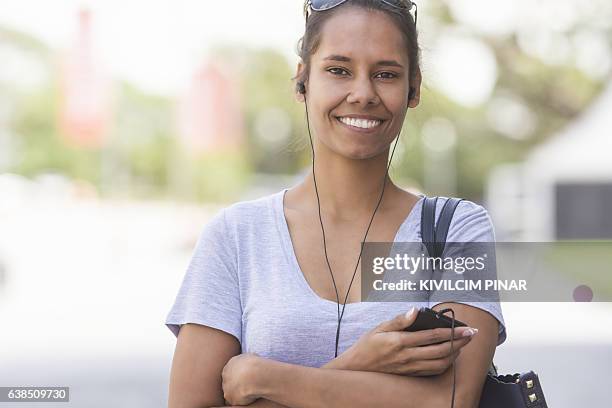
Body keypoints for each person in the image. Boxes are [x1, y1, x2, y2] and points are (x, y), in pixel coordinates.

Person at [165, 1, 506, 407]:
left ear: (413, 88)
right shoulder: (237, 236)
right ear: (302, 81)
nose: (362, 94)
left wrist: (262, 377)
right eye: (338, 70)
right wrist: (360, 361)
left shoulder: (457, 229)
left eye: (386, 74)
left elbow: (449, 400)